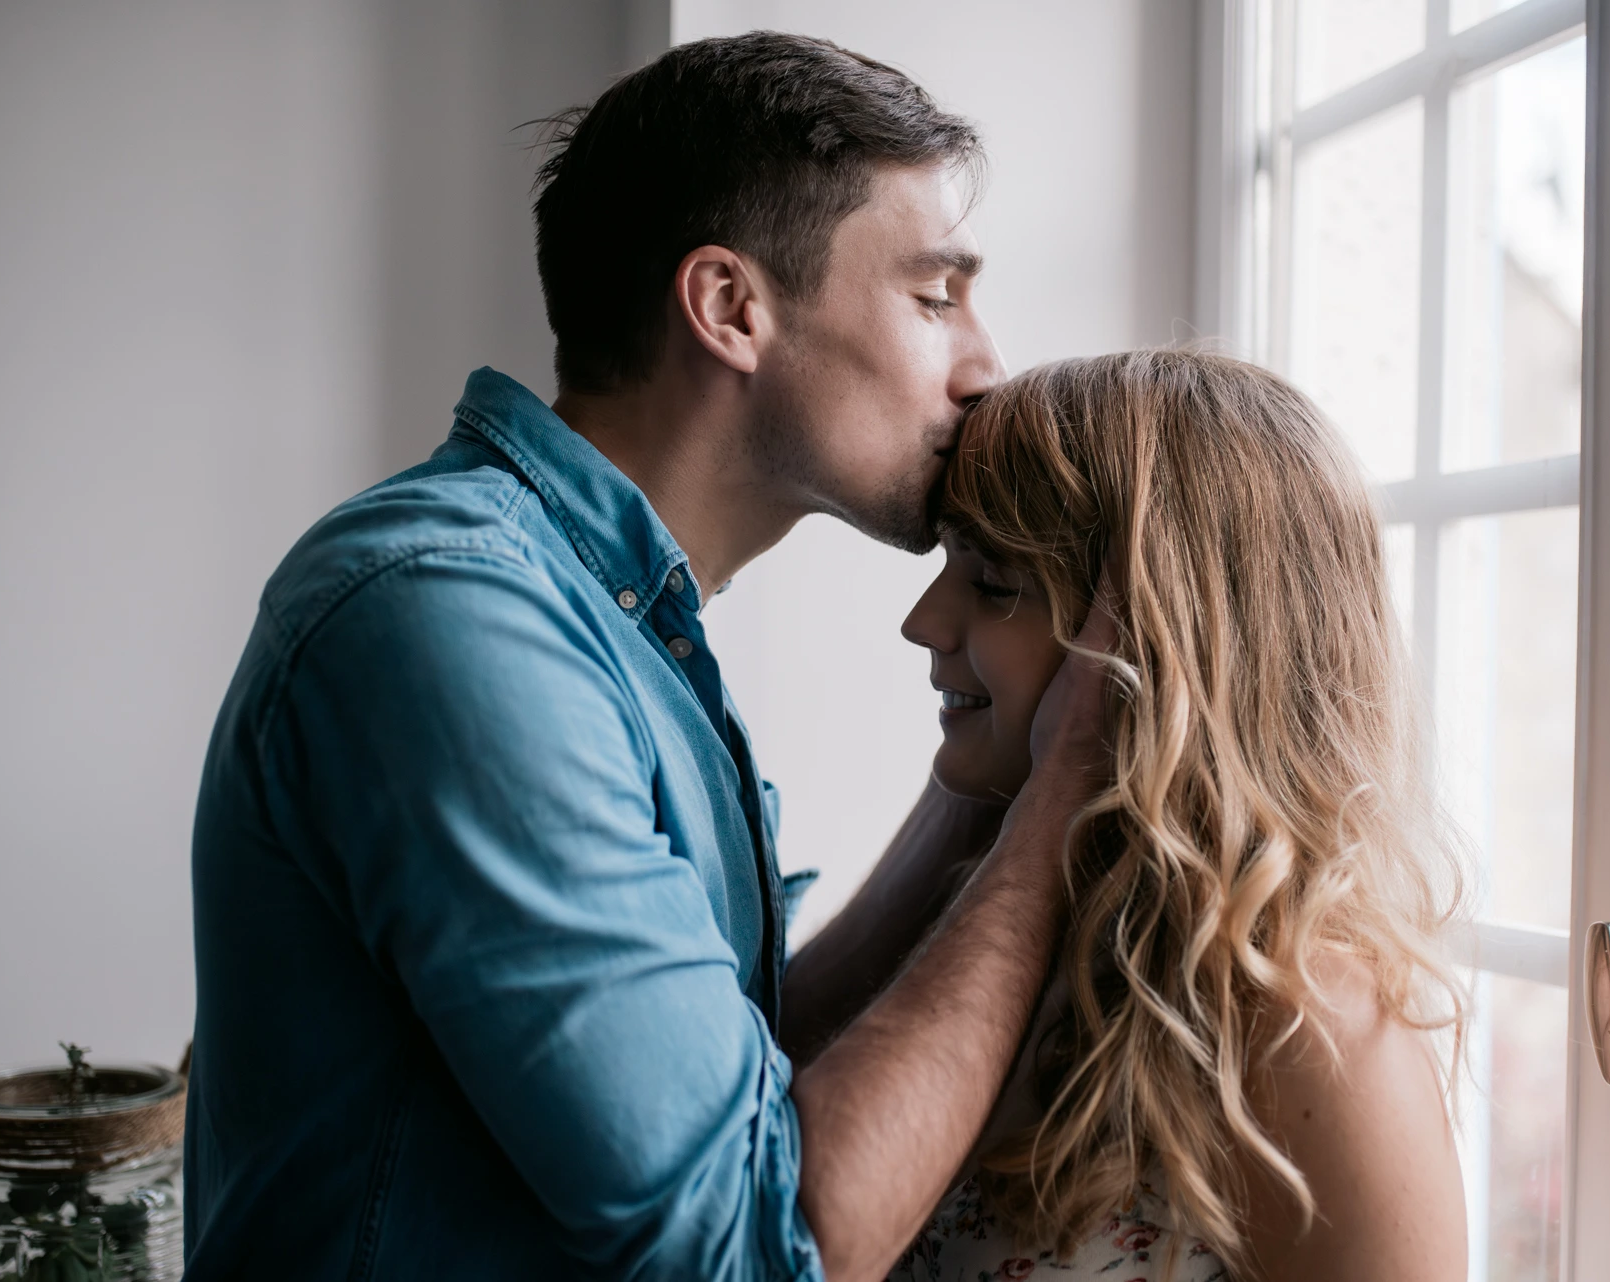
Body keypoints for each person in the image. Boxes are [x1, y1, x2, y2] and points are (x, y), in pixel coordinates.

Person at [184, 33, 1110, 1282]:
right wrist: (1061, 807)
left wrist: (984, 792)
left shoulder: (614, 617)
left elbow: (731, 1071)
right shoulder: (455, 616)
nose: (985, 361)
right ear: (731, 306)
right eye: (935, 294)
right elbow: (750, 1248)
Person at [883, 350, 1470, 1282]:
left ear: (1159, 649)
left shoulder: (1308, 1034)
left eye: (992, 582)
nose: (923, 621)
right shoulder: (1002, 939)